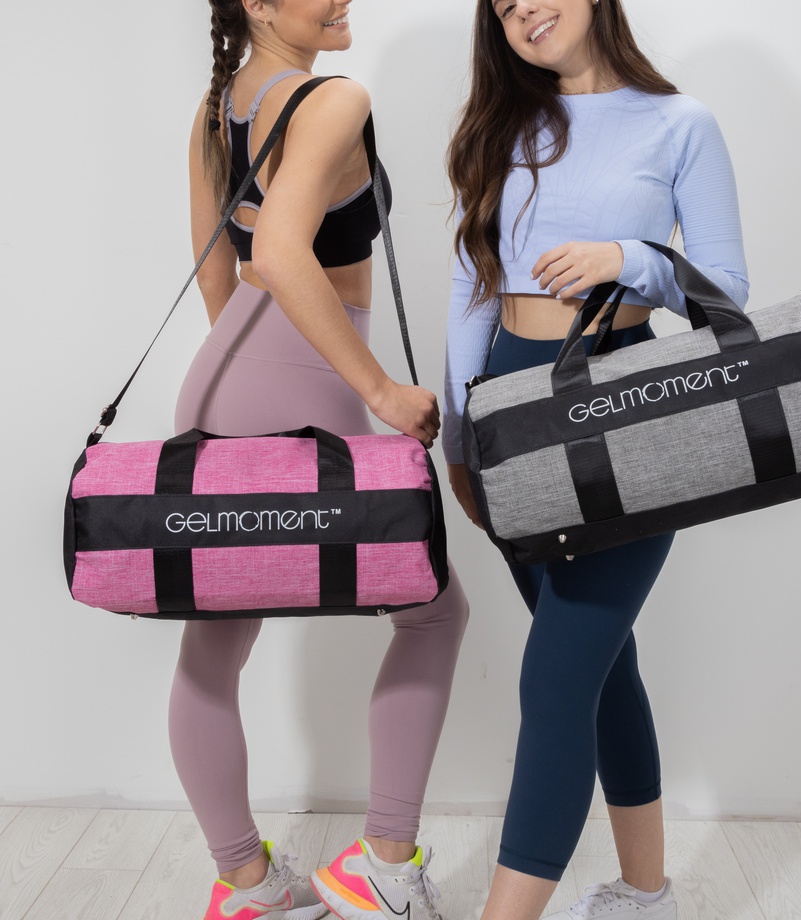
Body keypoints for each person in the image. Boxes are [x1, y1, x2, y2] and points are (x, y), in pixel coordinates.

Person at [444, 2, 748, 919]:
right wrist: (460, 436)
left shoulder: (681, 123)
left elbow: (728, 295)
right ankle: (646, 894)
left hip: (625, 416)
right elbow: (471, 284)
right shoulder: (500, 125)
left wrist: (629, 258)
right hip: (509, 422)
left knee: (554, 678)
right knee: (602, 668)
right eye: (504, 6)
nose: (524, 11)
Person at [171, 2, 469, 919]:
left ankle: (246, 884)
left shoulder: (218, 104)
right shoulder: (333, 98)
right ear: (257, 2)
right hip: (308, 379)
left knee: (215, 641)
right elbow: (279, 252)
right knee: (433, 610)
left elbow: (219, 269)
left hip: (224, 374)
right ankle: (385, 863)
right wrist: (378, 391)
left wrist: (250, 370)